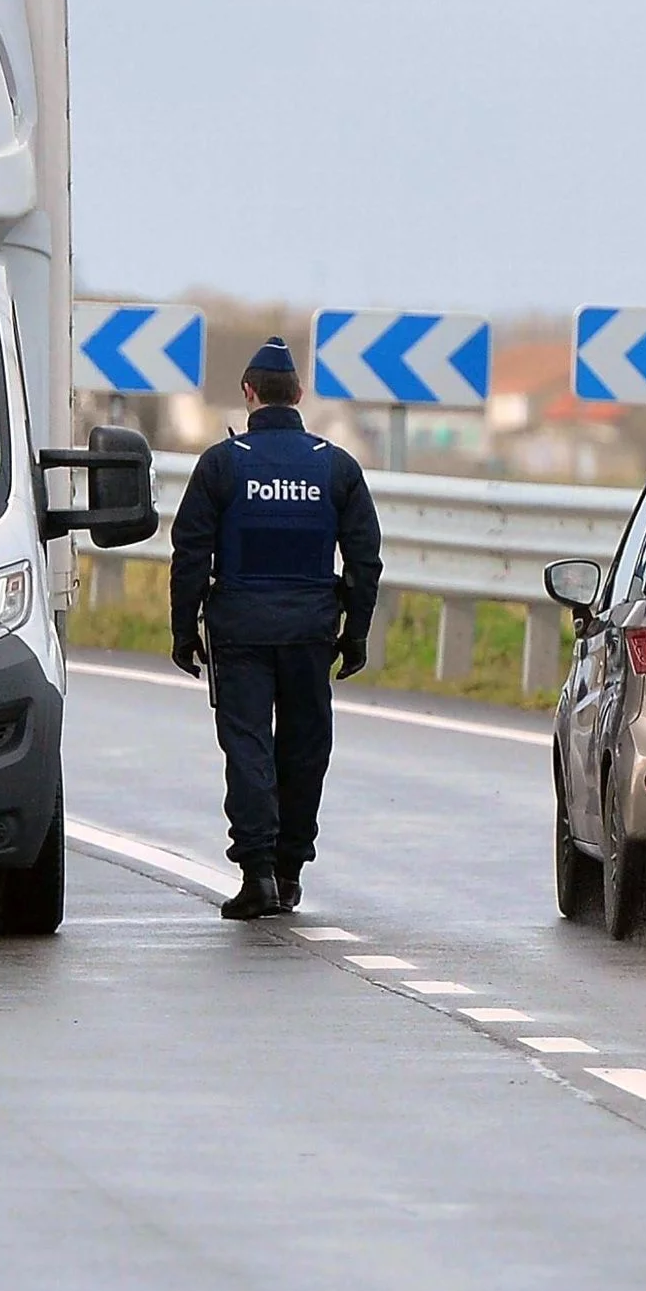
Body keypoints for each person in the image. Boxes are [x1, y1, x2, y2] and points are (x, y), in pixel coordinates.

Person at [170, 337, 384, 920]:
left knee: (248, 748)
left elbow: (190, 552)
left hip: (239, 631)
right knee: (305, 748)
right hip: (311, 632)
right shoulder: (334, 466)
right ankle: (289, 870)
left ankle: (258, 872)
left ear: (247, 394)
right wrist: (356, 632)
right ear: (299, 394)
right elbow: (365, 559)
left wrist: (183, 630)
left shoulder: (221, 464)